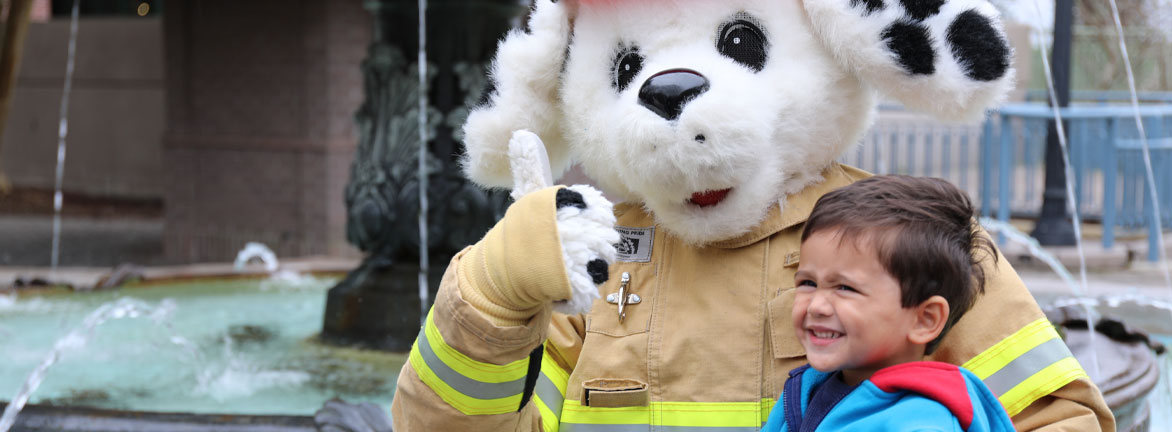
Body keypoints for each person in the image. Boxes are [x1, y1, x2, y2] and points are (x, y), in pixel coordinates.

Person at [763, 175, 1016, 432]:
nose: (816, 306)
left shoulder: (922, 424)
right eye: (808, 283)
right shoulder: (805, 393)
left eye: (845, 288)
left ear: (924, 319)